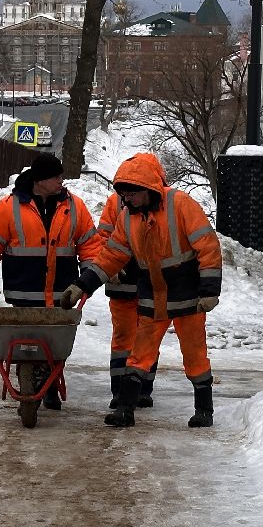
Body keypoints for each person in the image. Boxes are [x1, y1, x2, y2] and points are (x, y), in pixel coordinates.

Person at [60, 152, 221, 428]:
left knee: (194, 353)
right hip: (154, 296)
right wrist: (81, 285)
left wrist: (209, 290)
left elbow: (208, 246)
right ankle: (126, 408)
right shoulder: (128, 218)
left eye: (131, 194)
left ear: (147, 189)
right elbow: (111, 256)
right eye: (123, 194)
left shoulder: (181, 205)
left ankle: (204, 409)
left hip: (189, 296)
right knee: (139, 353)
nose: (126, 200)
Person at [0, 152, 102, 410]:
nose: (61, 180)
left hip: (62, 294)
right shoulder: (10, 207)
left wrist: (87, 280)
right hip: (23, 295)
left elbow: (90, 245)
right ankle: (38, 382)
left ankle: (50, 383)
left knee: (52, 346)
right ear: (40, 179)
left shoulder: (74, 207)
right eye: (56, 176)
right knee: (30, 345)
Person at [97, 153, 164, 410]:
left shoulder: (161, 203)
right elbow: (104, 237)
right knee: (132, 338)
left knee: (140, 337)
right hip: (126, 282)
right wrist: (107, 267)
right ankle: (125, 391)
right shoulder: (118, 202)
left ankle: (139, 389)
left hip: (149, 282)